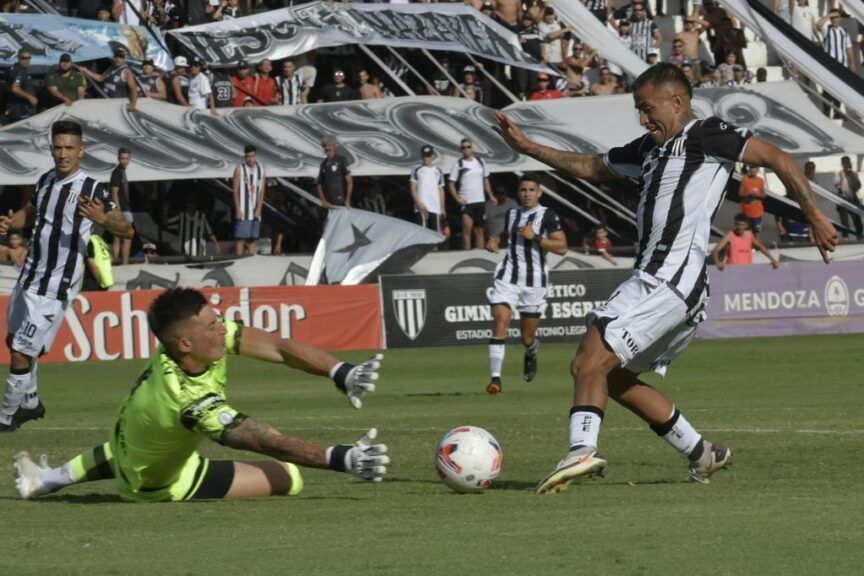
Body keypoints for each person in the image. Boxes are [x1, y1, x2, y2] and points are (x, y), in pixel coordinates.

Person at [492, 63, 837, 492]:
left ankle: (581, 450)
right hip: (672, 283)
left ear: (677, 103)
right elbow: (588, 165)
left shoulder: (707, 134)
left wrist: (816, 215)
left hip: (669, 277)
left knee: (587, 360)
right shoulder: (648, 150)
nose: (642, 119)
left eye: (647, 108)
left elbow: (778, 158)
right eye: (638, 110)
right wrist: (527, 146)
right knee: (612, 377)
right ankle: (701, 452)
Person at [13, 287, 389, 502]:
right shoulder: (189, 401)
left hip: (127, 441)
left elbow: (276, 346)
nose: (223, 330)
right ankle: (65, 480)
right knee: (290, 478)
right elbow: (262, 440)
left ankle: (46, 480)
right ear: (187, 342)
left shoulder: (184, 346)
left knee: (142, 445)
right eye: (213, 326)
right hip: (158, 484)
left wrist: (340, 371)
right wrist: (343, 457)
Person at [0, 120, 134, 432]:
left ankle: (6, 417)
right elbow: (29, 213)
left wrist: (103, 219)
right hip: (30, 276)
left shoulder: (92, 189)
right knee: (12, 340)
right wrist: (11, 223)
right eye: (58, 147)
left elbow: (127, 229)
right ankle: (30, 402)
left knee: (21, 349)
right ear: (51, 149)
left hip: (55, 286)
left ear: (81, 151)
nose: (63, 154)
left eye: (69, 148)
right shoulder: (46, 180)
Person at [485, 174, 567, 395]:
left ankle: (531, 351)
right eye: (523, 190)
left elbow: (561, 247)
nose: (527, 194)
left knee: (527, 337)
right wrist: (495, 239)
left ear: (539, 193)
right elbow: (505, 234)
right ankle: (495, 380)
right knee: (501, 323)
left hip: (534, 282)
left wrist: (536, 237)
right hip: (507, 277)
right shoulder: (512, 213)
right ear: (519, 193)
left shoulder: (547, 215)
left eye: (531, 190)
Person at [449, 138, 495, 250]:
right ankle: (467, 254)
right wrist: (457, 198)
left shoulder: (480, 162)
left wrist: (491, 195)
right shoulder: (459, 164)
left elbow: (486, 180)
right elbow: (451, 183)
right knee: (467, 230)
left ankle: (480, 254)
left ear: (472, 148)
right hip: (467, 201)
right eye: (463, 147)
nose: (466, 149)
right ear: (461, 150)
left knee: (479, 230)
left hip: (480, 200)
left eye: (468, 147)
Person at [817, 9, 855, 118]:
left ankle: (837, 111)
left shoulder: (844, 31)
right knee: (827, 89)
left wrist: (852, 63)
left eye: (836, 17)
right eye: (832, 17)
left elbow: (849, 48)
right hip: (829, 65)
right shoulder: (827, 30)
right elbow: (818, 25)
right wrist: (829, 14)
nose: (834, 19)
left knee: (839, 89)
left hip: (842, 65)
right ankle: (826, 111)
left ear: (840, 18)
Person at [711, 213, 780, 269]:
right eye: (738, 224)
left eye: (742, 225)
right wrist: (718, 263)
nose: (740, 227)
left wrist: (773, 260)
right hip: (732, 270)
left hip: (748, 269)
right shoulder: (730, 235)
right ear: (735, 224)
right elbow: (715, 250)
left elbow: (761, 247)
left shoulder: (749, 235)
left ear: (746, 226)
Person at [233, 145, 266, 256]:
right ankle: (238, 263)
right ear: (244, 157)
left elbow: (262, 191)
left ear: (255, 156)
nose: (250, 159)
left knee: (252, 239)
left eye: (252, 156)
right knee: (241, 239)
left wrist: (259, 208)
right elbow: (235, 190)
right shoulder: (239, 169)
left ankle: (252, 265)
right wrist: (237, 209)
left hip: (255, 211)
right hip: (244, 210)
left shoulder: (261, 170)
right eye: (247, 156)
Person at [410, 145, 447, 233]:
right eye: (424, 155)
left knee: (436, 235)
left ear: (433, 156)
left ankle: (435, 248)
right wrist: (419, 204)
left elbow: (440, 189)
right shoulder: (417, 170)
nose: (426, 158)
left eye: (428, 155)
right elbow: (413, 188)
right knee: (423, 234)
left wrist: (442, 207)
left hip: (435, 207)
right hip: (422, 207)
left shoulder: (438, 171)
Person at [110, 148, 135, 265]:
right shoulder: (117, 172)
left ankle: (118, 263)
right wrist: (118, 210)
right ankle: (124, 264)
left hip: (123, 208)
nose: (125, 161)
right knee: (126, 237)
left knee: (118, 237)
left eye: (126, 159)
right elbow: (114, 192)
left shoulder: (121, 172)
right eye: (122, 158)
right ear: (118, 159)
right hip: (122, 209)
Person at [316, 137, 353, 210]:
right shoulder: (323, 164)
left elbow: (350, 182)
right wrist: (323, 200)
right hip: (329, 203)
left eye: (329, 145)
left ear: (334, 146)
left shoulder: (341, 160)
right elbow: (319, 184)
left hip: (342, 202)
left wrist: (347, 200)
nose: (327, 148)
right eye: (325, 146)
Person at [5, 49, 38, 124]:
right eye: (23, 58)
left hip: (18, 110)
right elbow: (15, 88)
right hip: (21, 111)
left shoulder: (15, 70)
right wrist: (30, 97)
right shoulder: (19, 71)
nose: (27, 60)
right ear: (18, 58)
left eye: (29, 58)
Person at [834, 156, 863, 239]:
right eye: (845, 163)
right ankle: (845, 238)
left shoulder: (854, 174)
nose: (847, 164)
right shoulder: (838, 175)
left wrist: (853, 177)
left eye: (848, 162)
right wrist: (843, 177)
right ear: (842, 164)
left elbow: (856, 188)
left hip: (853, 200)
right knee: (845, 223)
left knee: (857, 221)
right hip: (842, 201)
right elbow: (843, 189)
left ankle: (859, 238)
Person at [739, 165, 766, 233]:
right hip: (746, 210)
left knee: (756, 232)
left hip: (757, 212)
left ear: (757, 170)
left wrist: (757, 195)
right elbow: (740, 193)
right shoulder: (745, 179)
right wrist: (748, 195)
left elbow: (764, 195)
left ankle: (755, 243)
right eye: (751, 168)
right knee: (745, 232)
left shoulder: (760, 180)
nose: (753, 170)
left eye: (755, 168)